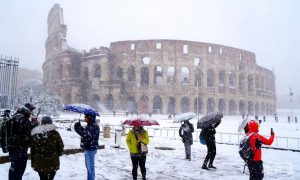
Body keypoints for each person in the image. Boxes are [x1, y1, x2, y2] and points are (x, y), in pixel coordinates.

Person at [6, 103, 37, 180]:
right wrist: (34, 125)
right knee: (18, 170)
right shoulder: (23, 119)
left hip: (14, 148)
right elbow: (27, 134)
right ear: (28, 110)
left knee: (14, 168)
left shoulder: (16, 116)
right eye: (31, 111)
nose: (31, 113)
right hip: (20, 149)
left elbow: (22, 132)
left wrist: (31, 124)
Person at [74, 113, 100, 180]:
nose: (84, 117)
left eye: (85, 116)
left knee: (90, 168)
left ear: (90, 117)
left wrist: (77, 129)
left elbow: (86, 135)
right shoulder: (90, 125)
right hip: (88, 148)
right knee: (88, 167)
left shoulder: (94, 126)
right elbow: (86, 132)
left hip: (90, 149)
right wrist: (79, 127)